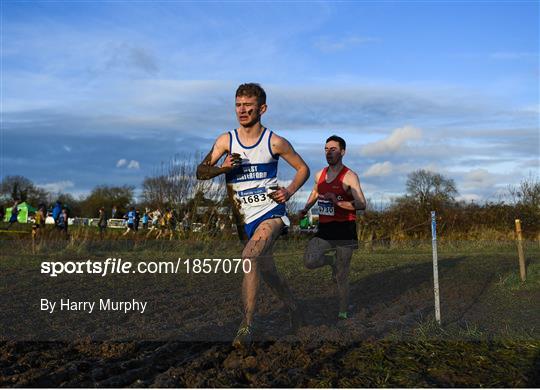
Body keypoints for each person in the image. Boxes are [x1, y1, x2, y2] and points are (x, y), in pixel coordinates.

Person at [196, 82, 310, 349]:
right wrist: (222, 168)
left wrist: (289, 191)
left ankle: (246, 326)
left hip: (271, 213)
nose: (242, 110)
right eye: (238, 105)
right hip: (244, 219)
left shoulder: (275, 142)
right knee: (266, 271)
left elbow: (303, 168)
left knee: (249, 257)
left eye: (248, 105)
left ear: (262, 109)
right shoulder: (226, 141)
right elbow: (201, 172)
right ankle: (295, 306)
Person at [299, 135, 366, 320]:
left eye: (333, 149)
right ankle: (331, 262)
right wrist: (305, 208)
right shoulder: (319, 174)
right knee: (310, 261)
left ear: (342, 152)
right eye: (326, 149)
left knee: (342, 275)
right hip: (326, 228)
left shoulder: (350, 177)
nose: (328, 153)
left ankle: (343, 312)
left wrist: (337, 201)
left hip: (345, 228)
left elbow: (362, 204)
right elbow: (315, 191)